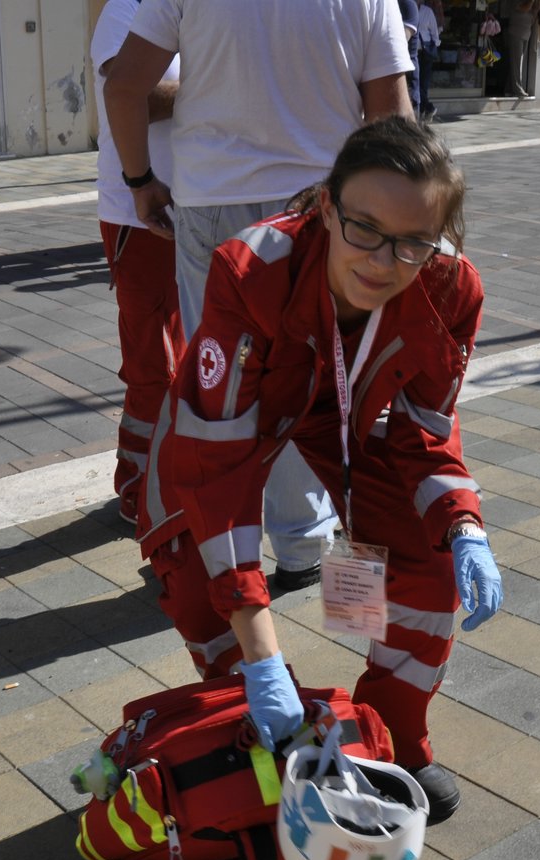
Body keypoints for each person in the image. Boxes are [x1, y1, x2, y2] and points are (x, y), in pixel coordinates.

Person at [135, 117, 503, 824]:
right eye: (363, 227)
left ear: (438, 236)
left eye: (413, 241)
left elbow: (426, 430)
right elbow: (218, 464)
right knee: (193, 565)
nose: (383, 262)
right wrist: (261, 652)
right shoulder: (252, 270)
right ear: (328, 207)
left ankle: (390, 735)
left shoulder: (452, 288)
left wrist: (463, 525)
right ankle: (271, 734)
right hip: (234, 422)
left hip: (351, 427)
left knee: (426, 559)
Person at [103, 0, 413, 594]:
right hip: (328, 208)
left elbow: (123, 87)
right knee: (326, 376)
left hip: (213, 201)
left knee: (222, 384)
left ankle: (221, 550)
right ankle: (306, 547)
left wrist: (141, 183)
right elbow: (390, 119)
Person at [91, 0, 182, 524]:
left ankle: (173, 478)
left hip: (202, 202)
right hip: (138, 212)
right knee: (155, 362)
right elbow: (131, 96)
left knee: (198, 355)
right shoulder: (125, 9)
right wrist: (218, 92)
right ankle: (136, 486)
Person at [502, 0, 536, 99]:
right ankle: (517, 90)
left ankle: (509, 89)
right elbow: (525, 8)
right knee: (516, 63)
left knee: (516, 63)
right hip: (516, 33)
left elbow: (532, 16)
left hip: (526, 34)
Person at [416, 1, 442, 119]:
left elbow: (435, 34)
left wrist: (432, 48)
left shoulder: (427, 11)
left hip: (425, 52)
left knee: (423, 83)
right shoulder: (405, 9)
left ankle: (423, 111)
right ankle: (428, 107)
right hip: (411, 52)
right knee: (414, 81)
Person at [397, 0, 422, 114]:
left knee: (406, 125)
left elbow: (398, 43)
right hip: (389, 73)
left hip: (406, 77)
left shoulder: (407, 5)